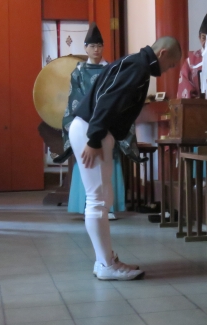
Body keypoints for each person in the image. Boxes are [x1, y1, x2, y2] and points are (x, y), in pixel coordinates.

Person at [69, 36, 182, 280]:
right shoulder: (138, 68)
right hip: (92, 130)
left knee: (101, 198)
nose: (168, 70)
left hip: (91, 128)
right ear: (162, 53)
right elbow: (108, 101)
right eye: (171, 64)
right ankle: (106, 265)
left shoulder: (135, 63)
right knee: (98, 200)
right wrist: (94, 139)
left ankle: (104, 261)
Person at [62, 24, 126, 220]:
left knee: (108, 161)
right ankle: (85, 206)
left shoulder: (112, 69)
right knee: (86, 161)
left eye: (99, 45)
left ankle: (109, 208)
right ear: (85, 48)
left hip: (106, 123)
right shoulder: (78, 72)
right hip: (85, 122)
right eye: (92, 46)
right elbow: (75, 99)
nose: (96, 49)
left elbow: (117, 96)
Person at [178, 10, 207, 99]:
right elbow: (184, 81)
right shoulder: (191, 60)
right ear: (199, 37)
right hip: (197, 103)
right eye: (204, 38)